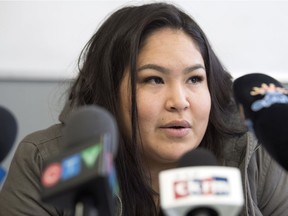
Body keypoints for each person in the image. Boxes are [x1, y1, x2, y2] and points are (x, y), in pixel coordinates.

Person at [1, 2, 288, 216]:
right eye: (153, 79)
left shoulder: (255, 154)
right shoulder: (46, 160)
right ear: (109, 91)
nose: (179, 100)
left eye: (195, 79)